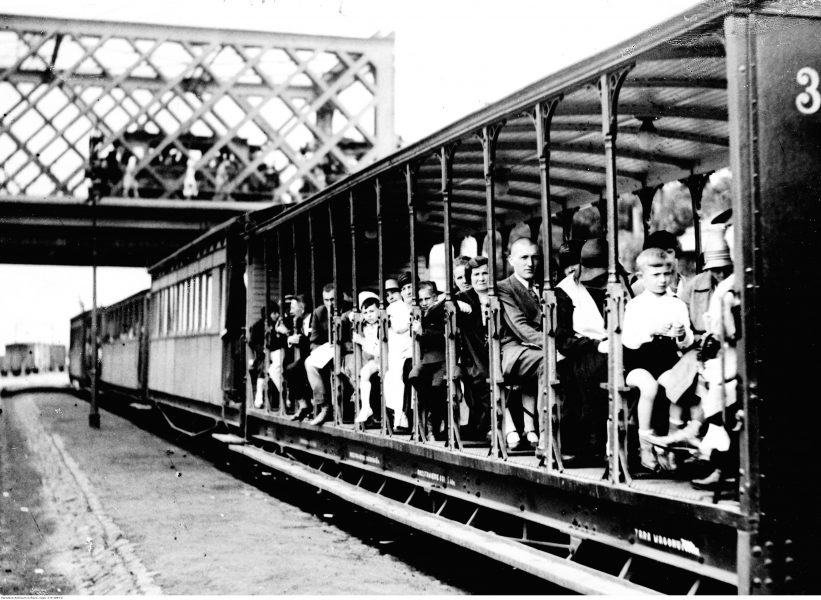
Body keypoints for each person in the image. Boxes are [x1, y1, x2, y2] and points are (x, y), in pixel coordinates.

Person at [622, 248, 694, 471]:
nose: (663, 280)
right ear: (641, 277)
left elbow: (687, 341)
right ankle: (645, 446)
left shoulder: (677, 304)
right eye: (656, 275)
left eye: (667, 274)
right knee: (649, 387)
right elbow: (629, 340)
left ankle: (671, 442)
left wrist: (681, 334)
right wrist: (651, 331)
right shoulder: (635, 305)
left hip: (665, 360)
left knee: (677, 385)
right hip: (638, 361)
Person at [554, 238, 610, 465]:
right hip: (576, 354)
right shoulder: (565, 291)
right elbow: (563, 340)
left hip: (613, 347)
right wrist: (595, 345)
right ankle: (587, 442)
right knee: (594, 369)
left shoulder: (618, 282)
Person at [497, 238, 542, 451]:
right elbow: (519, 326)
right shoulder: (505, 288)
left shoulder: (542, 285)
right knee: (548, 362)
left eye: (534, 257)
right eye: (524, 257)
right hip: (513, 349)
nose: (530, 263)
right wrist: (552, 345)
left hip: (534, 347)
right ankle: (545, 433)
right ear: (511, 260)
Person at [455, 257, 491, 440]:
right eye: (476, 274)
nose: (481, 278)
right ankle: (486, 427)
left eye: (485, 273)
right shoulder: (464, 297)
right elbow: (437, 310)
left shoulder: (497, 295)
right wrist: (455, 304)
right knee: (481, 378)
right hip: (473, 356)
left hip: (497, 350)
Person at [408, 281, 447, 441]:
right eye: (421, 300)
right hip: (427, 360)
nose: (424, 303)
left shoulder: (440, 311)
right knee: (414, 376)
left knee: (437, 387)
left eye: (427, 299)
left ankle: (433, 424)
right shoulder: (419, 313)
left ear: (435, 297)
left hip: (441, 359)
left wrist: (422, 331)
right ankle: (432, 415)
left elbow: (443, 334)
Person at [304, 284, 337, 425]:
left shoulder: (348, 309)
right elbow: (313, 341)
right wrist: (323, 349)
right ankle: (324, 405)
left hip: (347, 349)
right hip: (328, 349)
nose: (330, 303)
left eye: (333, 299)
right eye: (326, 300)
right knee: (309, 363)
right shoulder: (319, 313)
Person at [385, 275, 412, 429]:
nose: (407, 291)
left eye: (410, 287)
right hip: (398, 351)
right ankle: (400, 417)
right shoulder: (394, 308)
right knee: (393, 378)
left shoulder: (422, 303)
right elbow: (397, 328)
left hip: (414, 351)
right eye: (404, 288)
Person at [353, 292, 382, 423]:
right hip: (376, 361)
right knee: (363, 372)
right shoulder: (365, 327)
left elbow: (378, 349)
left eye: (372, 311)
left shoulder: (383, 325)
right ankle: (365, 407)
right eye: (365, 313)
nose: (369, 315)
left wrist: (362, 341)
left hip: (388, 359)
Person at [282, 294, 312, 420]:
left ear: (302, 307)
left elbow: (313, 339)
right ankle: (304, 404)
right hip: (306, 357)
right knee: (289, 370)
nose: (291, 311)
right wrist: (291, 339)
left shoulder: (313, 318)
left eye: (293, 307)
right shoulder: (299, 321)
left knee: (295, 370)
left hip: (315, 355)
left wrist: (299, 340)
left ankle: (309, 405)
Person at [631, 230, 687, 297]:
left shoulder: (690, 285)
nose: (665, 258)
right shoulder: (639, 288)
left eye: (669, 252)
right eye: (659, 254)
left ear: (676, 252)